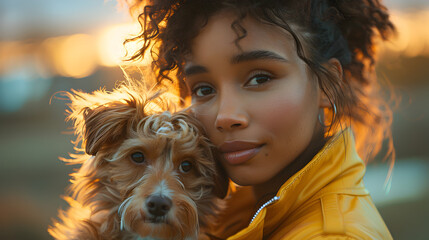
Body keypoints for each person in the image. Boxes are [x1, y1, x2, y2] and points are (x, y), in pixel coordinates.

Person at [125, 0, 395, 239]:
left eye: (260, 78)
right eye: (204, 89)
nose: (226, 116)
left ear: (326, 84)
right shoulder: (230, 214)